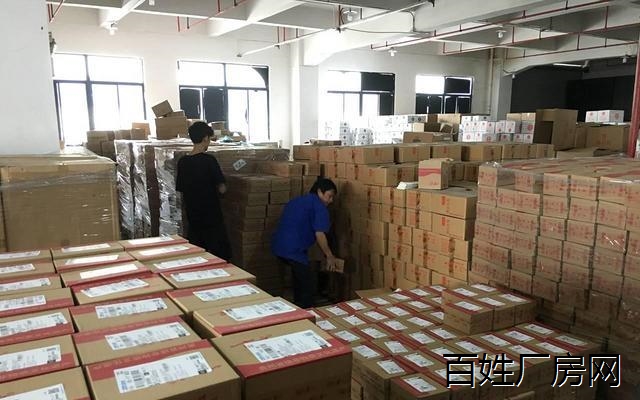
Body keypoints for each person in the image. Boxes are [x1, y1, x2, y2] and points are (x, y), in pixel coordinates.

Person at [272, 178, 338, 308]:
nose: (331, 201)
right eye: (329, 196)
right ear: (319, 192)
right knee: (307, 287)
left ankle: (298, 306)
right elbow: (319, 234)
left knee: (299, 278)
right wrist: (330, 256)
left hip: (278, 246)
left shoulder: (297, 200)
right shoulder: (319, 207)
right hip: (294, 250)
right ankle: (306, 311)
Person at [176, 121, 231, 260]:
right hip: (211, 216)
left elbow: (181, 189)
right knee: (219, 254)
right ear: (205, 138)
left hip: (193, 216)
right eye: (210, 139)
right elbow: (222, 189)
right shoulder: (209, 161)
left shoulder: (182, 162)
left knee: (198, 254)